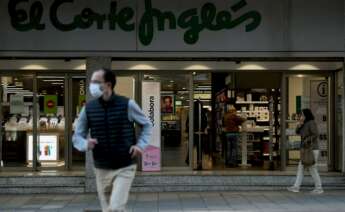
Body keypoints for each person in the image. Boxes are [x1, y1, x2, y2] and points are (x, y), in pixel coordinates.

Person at [73, 68, 152, 212]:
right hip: (101, 167)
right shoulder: (88, 109)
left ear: (108, 84)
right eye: (91, 81)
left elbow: (147, 125)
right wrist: (85, 144)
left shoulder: (127, 104)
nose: (92, 85)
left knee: (115, 207)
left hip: (125, 165)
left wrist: (140, 145)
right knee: (109, 209)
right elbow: (77, 136)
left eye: (96, 82)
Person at [287, 108, 323, 194]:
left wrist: (307, 140)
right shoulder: (304, 123)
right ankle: (296, 187)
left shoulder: (311, 123)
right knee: (301, 168)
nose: (301, 116)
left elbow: (315, 134)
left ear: (307, 115)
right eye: (301, 115)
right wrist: (299, 125)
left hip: (312, 149)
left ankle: (319, 188)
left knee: (312, 168)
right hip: (306, 149)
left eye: (303, 114)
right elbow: (297, 132)